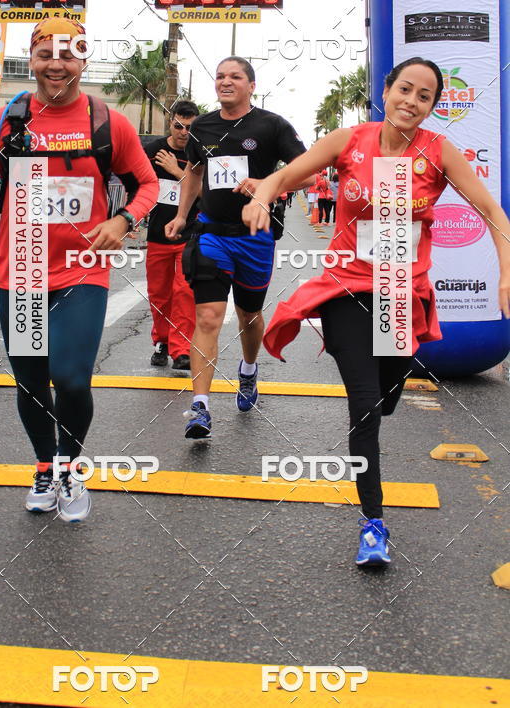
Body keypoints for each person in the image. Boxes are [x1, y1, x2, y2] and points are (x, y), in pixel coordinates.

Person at [243, 57, 510, 566]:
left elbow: (493, 214)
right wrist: (264, 195)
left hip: (398, 295)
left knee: (386, 396)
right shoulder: (348, 141)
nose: (411, 101)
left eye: (424, 95)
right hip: (346, 289)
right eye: (404, 89)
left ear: (433, 106)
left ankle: (380, 412)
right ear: (386, 91)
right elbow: (285, 177)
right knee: (364, 406)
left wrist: (505, 273)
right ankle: (374, 523)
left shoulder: (437, 152)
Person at [0, 19, 158, 522]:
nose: (56, 63)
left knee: (72, 379)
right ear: (32, 60)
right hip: (24, 271)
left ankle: (69, 466)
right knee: (32, 382)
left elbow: (146, 185)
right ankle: (45, 465)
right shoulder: (5, 121)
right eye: (44, 54)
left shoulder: (108, 122)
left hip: (83, 269)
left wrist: (122, 220)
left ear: (83, 60)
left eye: (68, 53)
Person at [165, 56, 306, 438]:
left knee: (249, 316)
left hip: (254, 239)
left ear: (251, 85)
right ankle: (200, 407)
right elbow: (195, 173)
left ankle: (248, 369)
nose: (226, 81)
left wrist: (265, 184)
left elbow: (306, 170)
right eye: (220, 75)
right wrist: (182, 215)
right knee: (208, 317)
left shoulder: (271, 125)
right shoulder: (204, 126)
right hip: (210, 234)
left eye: (235, 76)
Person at [144, 100, 200, 371]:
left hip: (190, 235)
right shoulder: (153, 150)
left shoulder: (200, 153)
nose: (183, 132)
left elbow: (206, 193)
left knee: (184, 292)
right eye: (179, 125)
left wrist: (177, 171)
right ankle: (162, 342)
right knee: (160, 294)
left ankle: (182, 350)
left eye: (190, 127)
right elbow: (137, 183)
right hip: (157, 235)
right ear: (170, 123)